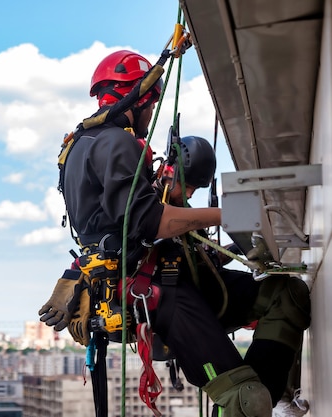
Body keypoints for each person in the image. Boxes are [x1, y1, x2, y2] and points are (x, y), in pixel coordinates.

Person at [38, 50, 311, 417]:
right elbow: (150, 222)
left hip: (164, 278)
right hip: (158, 290)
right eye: (149, 106)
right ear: (138, 97)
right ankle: (249, 402)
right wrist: (231, 214)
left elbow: (125, 224)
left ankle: (265, 399)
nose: (150, 116)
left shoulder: (76, 147)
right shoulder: (115, 141)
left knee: (287, 293)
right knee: (246, 399)